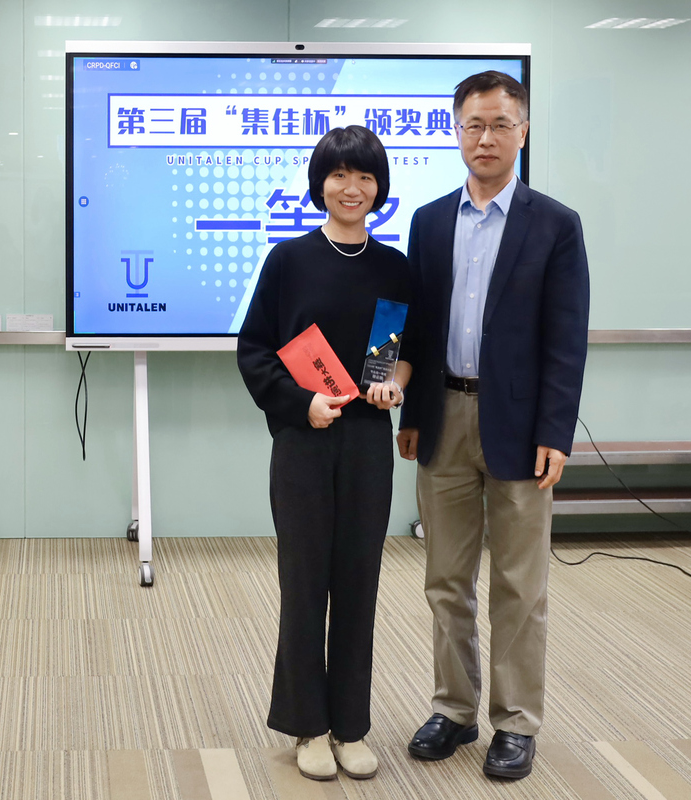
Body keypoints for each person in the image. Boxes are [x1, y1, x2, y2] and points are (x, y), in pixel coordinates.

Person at [396, 71, 590, 781]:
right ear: (456, 131)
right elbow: (414, 326)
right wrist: (409, 411)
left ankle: (515, 722)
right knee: (445, 579)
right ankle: (454, 709)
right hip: (441, 417)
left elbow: (566, 340)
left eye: (501, 124)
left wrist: (556, 432)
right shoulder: (428, 221)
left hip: (522, 426)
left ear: (523, 131)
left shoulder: (556, 224)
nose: (486, 138)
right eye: (473, 124)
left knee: (519, 584)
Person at [236, 125, 411, 782]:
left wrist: (394, 384)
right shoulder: (288, 260)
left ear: (378, 188)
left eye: (364, 176)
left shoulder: (394, 267)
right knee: (305, 583)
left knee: (359, 583)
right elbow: (254, 351)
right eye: (338, 174)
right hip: (303, 440)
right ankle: (307, 725)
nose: (351, 187)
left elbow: (401, 353)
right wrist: (300, 404)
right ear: (320, 184)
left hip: (367, 442)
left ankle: (350, 727)